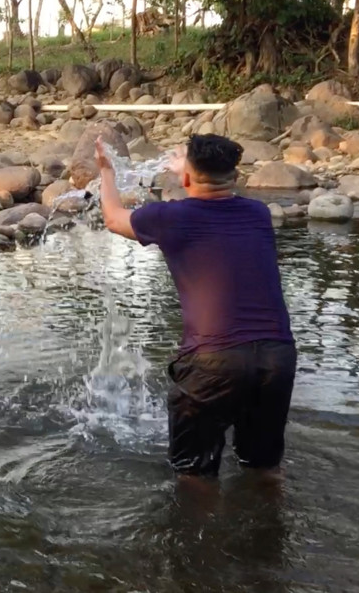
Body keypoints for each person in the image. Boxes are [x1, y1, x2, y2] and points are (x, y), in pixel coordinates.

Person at [95, 134, 297, 482]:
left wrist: (106, 171)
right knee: (263, 468)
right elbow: (214, 203)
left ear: (186, 178)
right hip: (277, 357)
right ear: (235, 177)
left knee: (195, 476)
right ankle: (272, 533)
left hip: (212, 362)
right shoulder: (258, 214)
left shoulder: (170, 217)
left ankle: (196, 533)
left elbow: (113, 218)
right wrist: (187, 172)